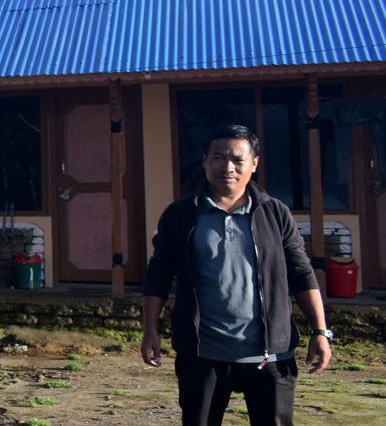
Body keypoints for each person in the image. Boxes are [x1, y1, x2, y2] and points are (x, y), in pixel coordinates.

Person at [141, 124, 332, 426]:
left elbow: (301, 274)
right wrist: (149, 328)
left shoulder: (275, 213)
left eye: (237, 159)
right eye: (217, 158)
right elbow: (159, 275)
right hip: (203, 354)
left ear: (254, 164)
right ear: (205, 161)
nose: (227, 167)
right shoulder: (181, 215)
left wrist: (320, 332)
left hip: (270, 356)